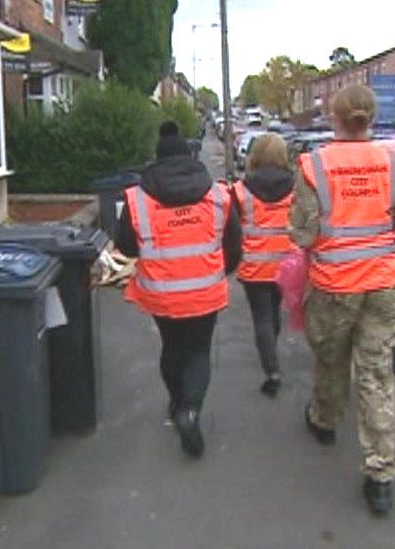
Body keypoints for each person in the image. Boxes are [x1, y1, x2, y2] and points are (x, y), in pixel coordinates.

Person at [290, 84, 395, 515]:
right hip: (384, 284)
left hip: (334, 285)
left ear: (335, 117)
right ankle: (381, 475)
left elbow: (304, 235)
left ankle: (326, 421)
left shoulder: (314, 166)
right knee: (377, 374)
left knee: (330, 358)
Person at [115, 121, 242, 458]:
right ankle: (190, 411)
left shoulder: (138, 198)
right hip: (205, 289)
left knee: (172, 347)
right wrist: (218, 271)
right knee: (199, 351)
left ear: (156, 159)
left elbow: (126, 247)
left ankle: (176, 403)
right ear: (189, 155)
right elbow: (234, 245)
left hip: (160, 291)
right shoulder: (217, 194)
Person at [231, 134, 296, 396]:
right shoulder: (296, 186)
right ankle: (272, 352)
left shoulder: (240, 189)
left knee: (262, 318)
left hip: (255, 266)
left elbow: (234, 230)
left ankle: (272, 370)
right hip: (286, 264)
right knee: (275, 313)